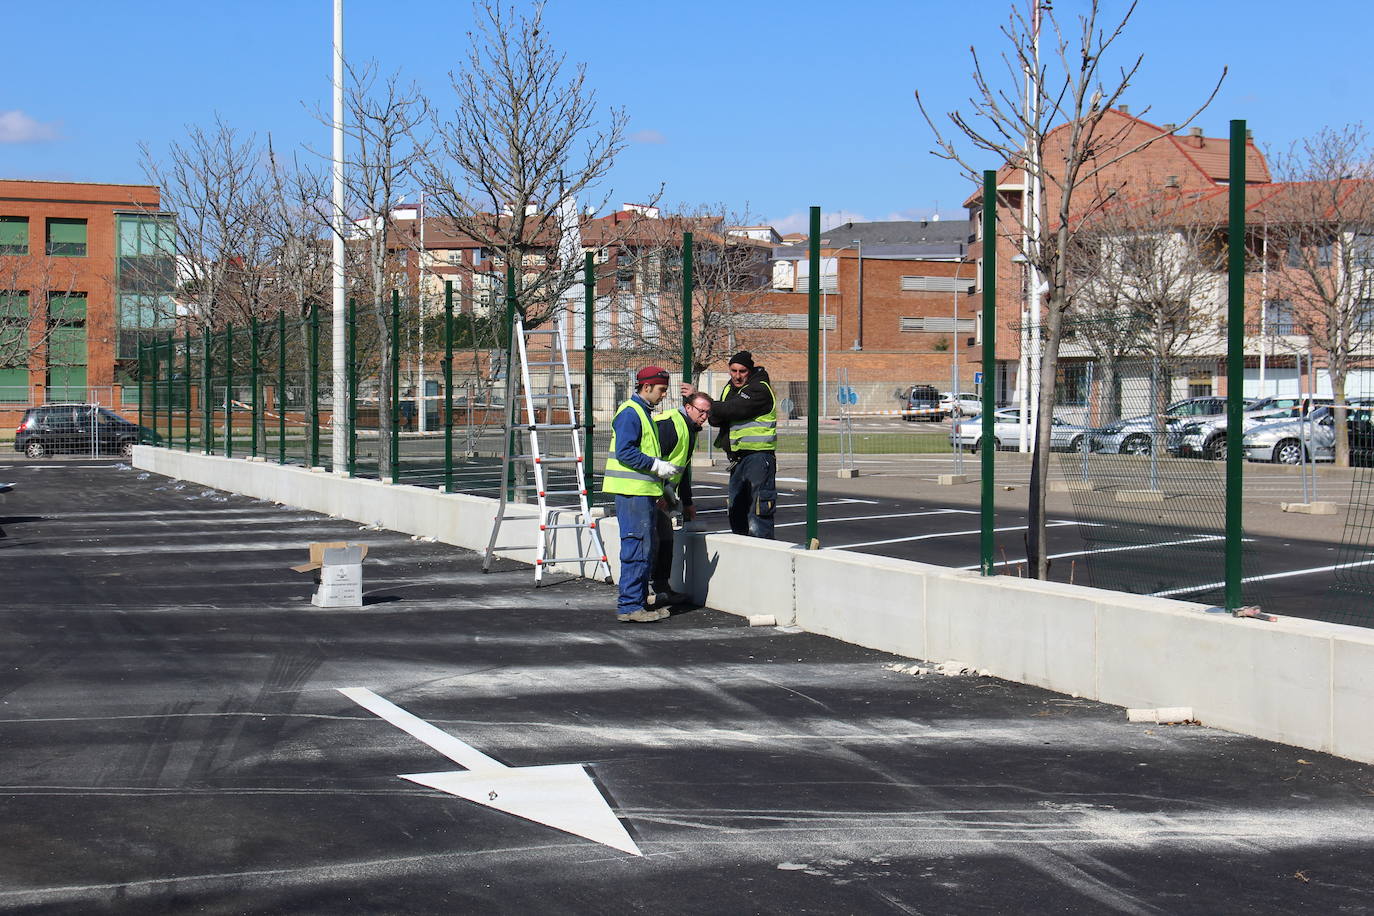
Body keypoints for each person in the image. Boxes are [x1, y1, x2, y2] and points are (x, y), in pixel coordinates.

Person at [602, 366, 681, 623]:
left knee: (642, 547)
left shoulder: (641, 412)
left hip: (641, 491)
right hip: (633, 493)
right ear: (646, 387)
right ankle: (630, 606)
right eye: (661, 390)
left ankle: (635, 603)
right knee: (637, 547)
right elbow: (626, 452)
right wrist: (657, 466)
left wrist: (662, 483)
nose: (663, 396)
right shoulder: (631, 413)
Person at [683, 350, 777, 539]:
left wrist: (705, 402)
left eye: (742, 371)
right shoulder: (729, 388)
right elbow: (718, 418)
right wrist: (720, 410)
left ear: (749, 371)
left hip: (758, 456)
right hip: (737, 458)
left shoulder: (759, 388)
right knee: (736, 508)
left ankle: (762, 550)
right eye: (733, 370)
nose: (737, 375)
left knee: (758, 511)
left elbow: (734, 409)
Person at [648, 390, 713, 609]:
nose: (704, 416)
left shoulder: (689, 429)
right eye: (700, 411)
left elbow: (682, 469)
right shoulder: (670, 425)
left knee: (666, 539)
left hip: (663, 492)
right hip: (650, 491)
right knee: (653, 541)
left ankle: (661, 587)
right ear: (688, 408)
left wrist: (687, 501)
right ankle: (648, 591)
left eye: (707, 413)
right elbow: (652, 461)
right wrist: (660, 494)